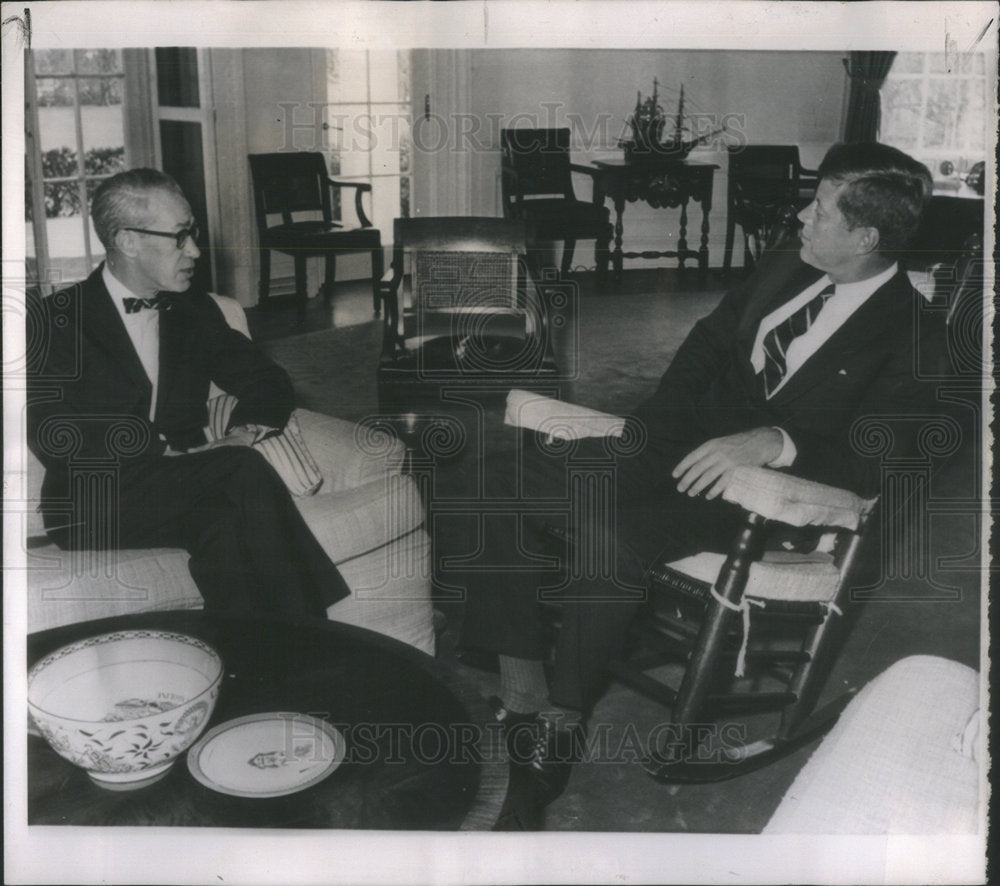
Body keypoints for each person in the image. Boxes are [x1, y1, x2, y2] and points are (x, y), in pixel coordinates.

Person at [449, 142, 938, 805]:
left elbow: (888, 453)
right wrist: (652, 428)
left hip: (756, 498)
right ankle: (521, 687)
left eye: (819, 208)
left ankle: (560, 724)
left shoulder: (914, 332)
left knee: (610, 534)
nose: (800, 217)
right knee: (496, 475)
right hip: (676, 444)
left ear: (864, 237)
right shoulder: (784, 266)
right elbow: (709, 342)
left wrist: (776, 441)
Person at [27, 168, 350, 619]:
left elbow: (266, 379)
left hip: (180, 487)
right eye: (180, 237)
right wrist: (159, 449)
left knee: (223, 526)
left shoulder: (192, 310)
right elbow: (49, 430)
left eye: (192, 234)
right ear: (127, 240)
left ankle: (251, 665)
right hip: (91, 500)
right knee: (240, 469)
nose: (195, 250)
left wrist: (243, 430)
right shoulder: (54, 319)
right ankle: (317, 638)